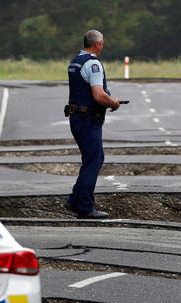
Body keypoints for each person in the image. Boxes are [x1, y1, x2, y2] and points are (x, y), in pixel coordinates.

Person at [64, 30, 120, 219]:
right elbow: (98, 94)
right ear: (97, 44)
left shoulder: (75, 61)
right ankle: (86, 207)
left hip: (76, 117)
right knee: (93, 161)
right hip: (88, 119)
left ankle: (74, 200)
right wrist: (113, 103)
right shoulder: (93, 63)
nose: (103, 46)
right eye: (102, 43)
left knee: (95, 158)